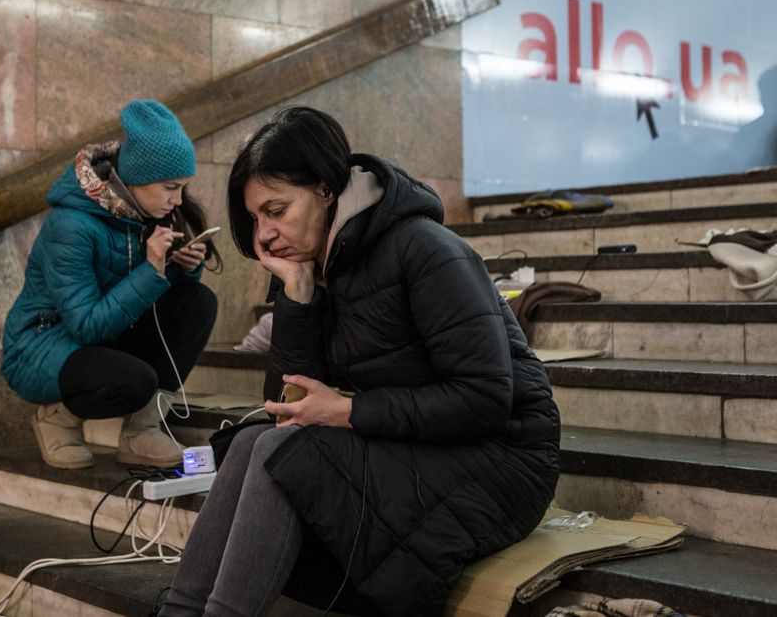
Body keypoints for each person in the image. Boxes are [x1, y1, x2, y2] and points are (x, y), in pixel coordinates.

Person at [158, 107, 560, 616]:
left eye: (276, 210)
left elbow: (485, 400)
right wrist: (298, 299)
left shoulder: (427, 250)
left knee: (281, 450)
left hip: (502, 459)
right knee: (250, 443)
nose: (262, 235)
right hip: (408, 444)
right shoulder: (315, 268)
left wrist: (348, 411)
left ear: (326, 191)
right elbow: (289, 403)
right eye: (256, 218)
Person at [1, 100, 219, 469]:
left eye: (182, 188)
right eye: (170, 187)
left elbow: (137, 302)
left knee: (196, 301)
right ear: (136, 178)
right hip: (42, 345)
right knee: (134, 380)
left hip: (106, 336)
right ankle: (56, 417)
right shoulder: (70, 226)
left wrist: (179, 269)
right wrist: (151, 271)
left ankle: (143, 429)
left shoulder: (145, 212)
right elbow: (86, 325)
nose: (177, 200)